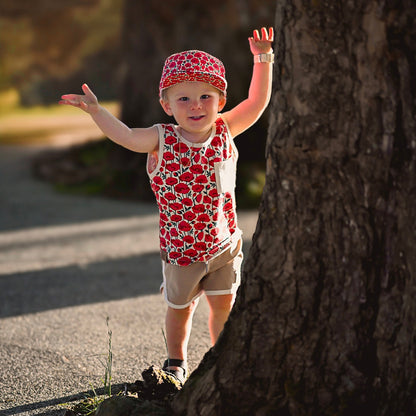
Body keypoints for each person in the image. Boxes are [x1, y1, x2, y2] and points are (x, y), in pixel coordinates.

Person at [60, 27, 274, 384]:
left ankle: (221, 356)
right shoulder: (162, 138)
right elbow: (126, 137)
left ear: (220, 101)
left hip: (223, 246)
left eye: (206, 96)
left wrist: (263, 57)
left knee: (224, 305)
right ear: (167, 105)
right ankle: (176, 361)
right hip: (182, 253)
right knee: (180, 309)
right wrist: (97, 112)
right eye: (184, 99)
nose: (196, 106)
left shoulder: (225, 130)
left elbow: (256, 102)